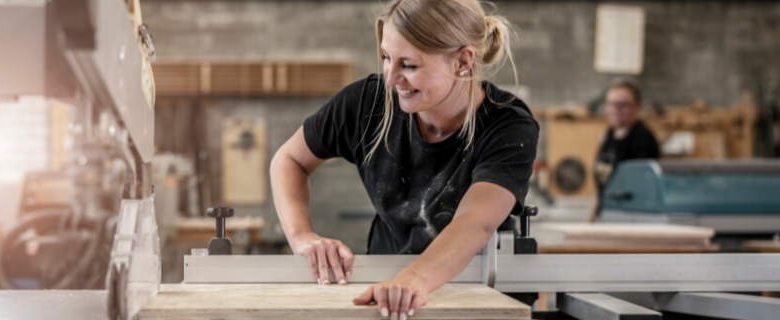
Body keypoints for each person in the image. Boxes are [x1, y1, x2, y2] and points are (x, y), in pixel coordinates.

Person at [269, 0, 538, 318]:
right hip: (389, 286)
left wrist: (412, 281)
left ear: (463, 61)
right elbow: (289, 160)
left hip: (480, 291)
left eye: (409, 65)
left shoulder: (508, 125)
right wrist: (302, 237)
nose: (391, 77)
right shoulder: (367, 104)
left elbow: (474, 222)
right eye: (386, 57)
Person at [588, 81, 660, 223]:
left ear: (637, 106)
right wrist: (591, 218)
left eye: (623, 105)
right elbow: (602, 182)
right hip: (608, 213)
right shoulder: (610, 134)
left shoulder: (643, 139)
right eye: (611, 104)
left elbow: (643, 187)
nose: (616, 109)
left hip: (632, 216)